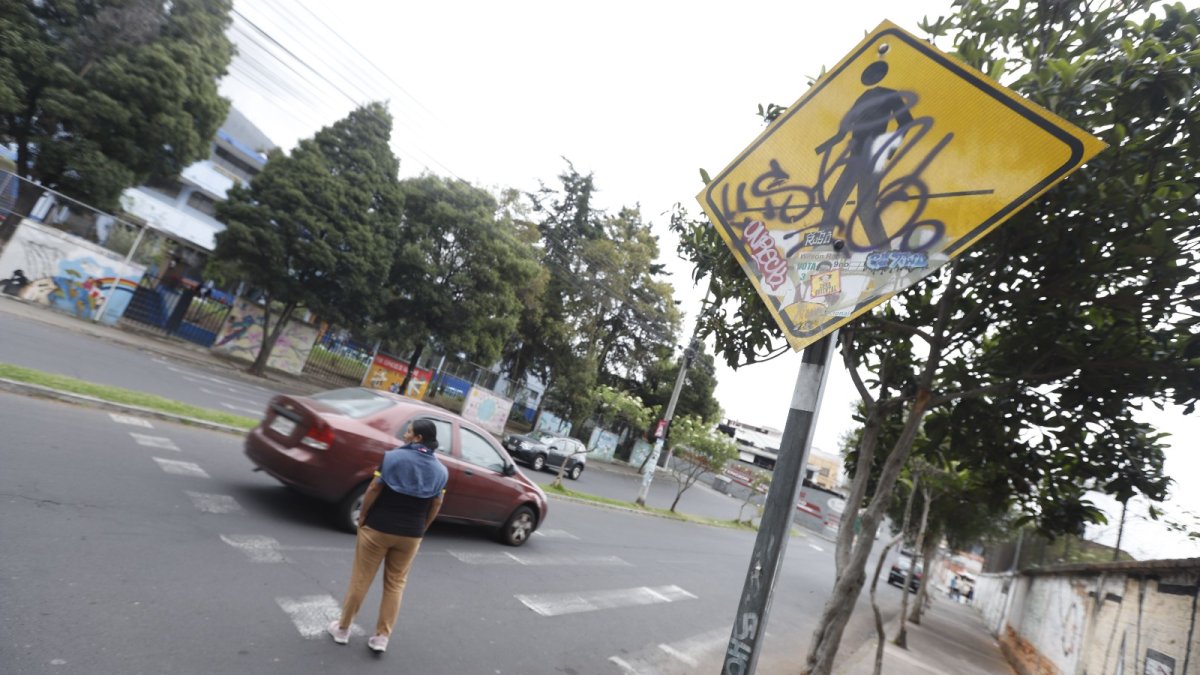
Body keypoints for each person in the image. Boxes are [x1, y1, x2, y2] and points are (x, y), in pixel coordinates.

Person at [327, 419, 448, 653]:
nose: (405, 434)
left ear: (418, 438)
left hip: (378, 529)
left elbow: (373, 488)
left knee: (361, 579)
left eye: (409, 432)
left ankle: (342, 629)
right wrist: (422, 528)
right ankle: (381, 637)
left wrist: (362, 516)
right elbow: (436, 504)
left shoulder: (392, 458)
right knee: (395, 585)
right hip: (411, 535)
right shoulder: (441, 471)